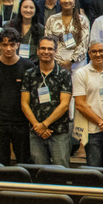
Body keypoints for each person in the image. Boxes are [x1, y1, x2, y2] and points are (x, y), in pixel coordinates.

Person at [0, 29, 35, 165]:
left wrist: (31, 121)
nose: (8, 48)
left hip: (21, 122)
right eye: (4, 45)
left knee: (24, 162)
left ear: (18, 45)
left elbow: (33, 97)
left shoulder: (28, 66)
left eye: (12, 44)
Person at [21, 35, 72, 167]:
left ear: (55, 52)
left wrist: (44, 125)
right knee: (39, 172)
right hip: (35, 131)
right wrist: (37, 126)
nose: (46, 51)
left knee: (61, 171)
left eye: (50, 49)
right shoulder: (29, 74)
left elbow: (65, 104)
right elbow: (24, 103)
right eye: (43, 48)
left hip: (58, 131)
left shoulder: (64, 74)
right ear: (37, 51)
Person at [72, 40, 103, 168]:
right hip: (92, 130)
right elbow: (80, 104)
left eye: (101, 51)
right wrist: (101, 123)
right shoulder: (81, 73)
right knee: (94, 169)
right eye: (94, 51)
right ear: (89, 53)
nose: (98, 54)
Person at [45, 0, 90, 70]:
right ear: (59, 1)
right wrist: (60, 62)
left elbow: (84, 44)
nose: (66, 0)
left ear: (74, 1)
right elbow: (49, 43)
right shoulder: (52, 19)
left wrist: (71, 61)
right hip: (58, 62)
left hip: (78, 62)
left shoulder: (83, 20)